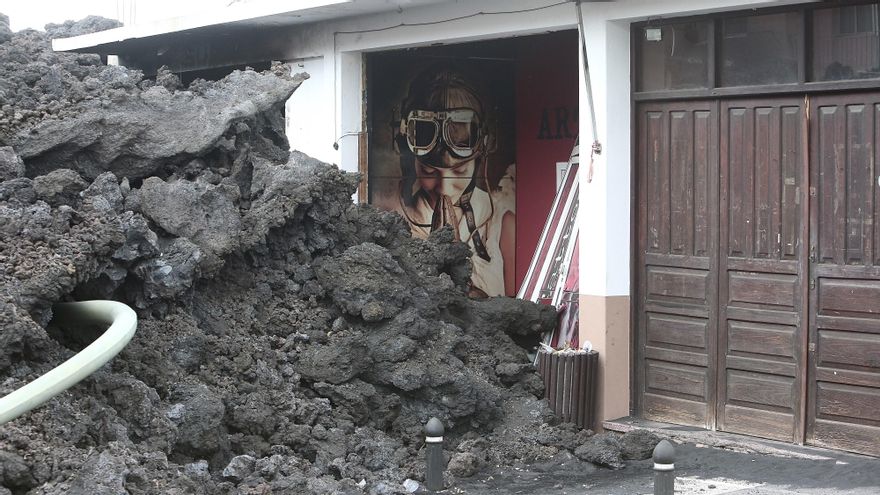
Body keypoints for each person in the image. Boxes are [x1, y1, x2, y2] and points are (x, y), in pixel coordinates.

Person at [394, 66, 515, 298]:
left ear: (480, 156)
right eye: (429, 171)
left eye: (459, 171)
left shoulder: (502, 223)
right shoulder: (393, 223)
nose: (445, 187)